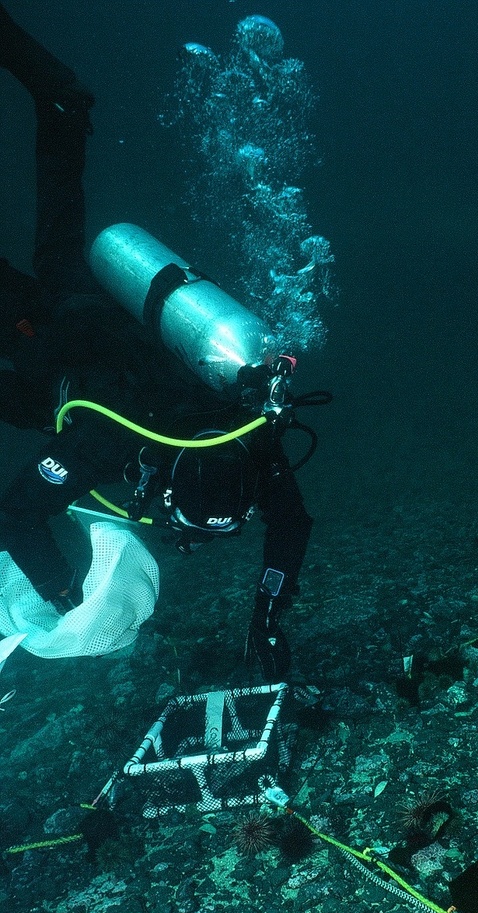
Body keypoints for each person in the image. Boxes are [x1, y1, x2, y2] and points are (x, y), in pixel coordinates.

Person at [0, 5, 326, 682]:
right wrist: (67, 598)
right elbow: (19, 515)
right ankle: (63, 105)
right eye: (179, 523)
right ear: (169, 490)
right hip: (54, 335)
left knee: (62, 224)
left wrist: (267, 615)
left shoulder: (250, 433)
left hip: (99, 317)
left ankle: (65, 107)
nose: (176, 537)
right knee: (36, 315)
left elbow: (291, 524)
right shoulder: (110, 441)